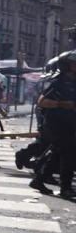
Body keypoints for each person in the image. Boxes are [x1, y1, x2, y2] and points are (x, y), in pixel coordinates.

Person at [28, 50, 76, 197]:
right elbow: (42, 102)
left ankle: (39, 179)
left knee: (57, 153)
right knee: (68, 155)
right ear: (66, 65)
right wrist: (62, 104)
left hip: (70, 124)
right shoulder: (57, 82)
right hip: (56, 124)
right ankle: (65, 188)